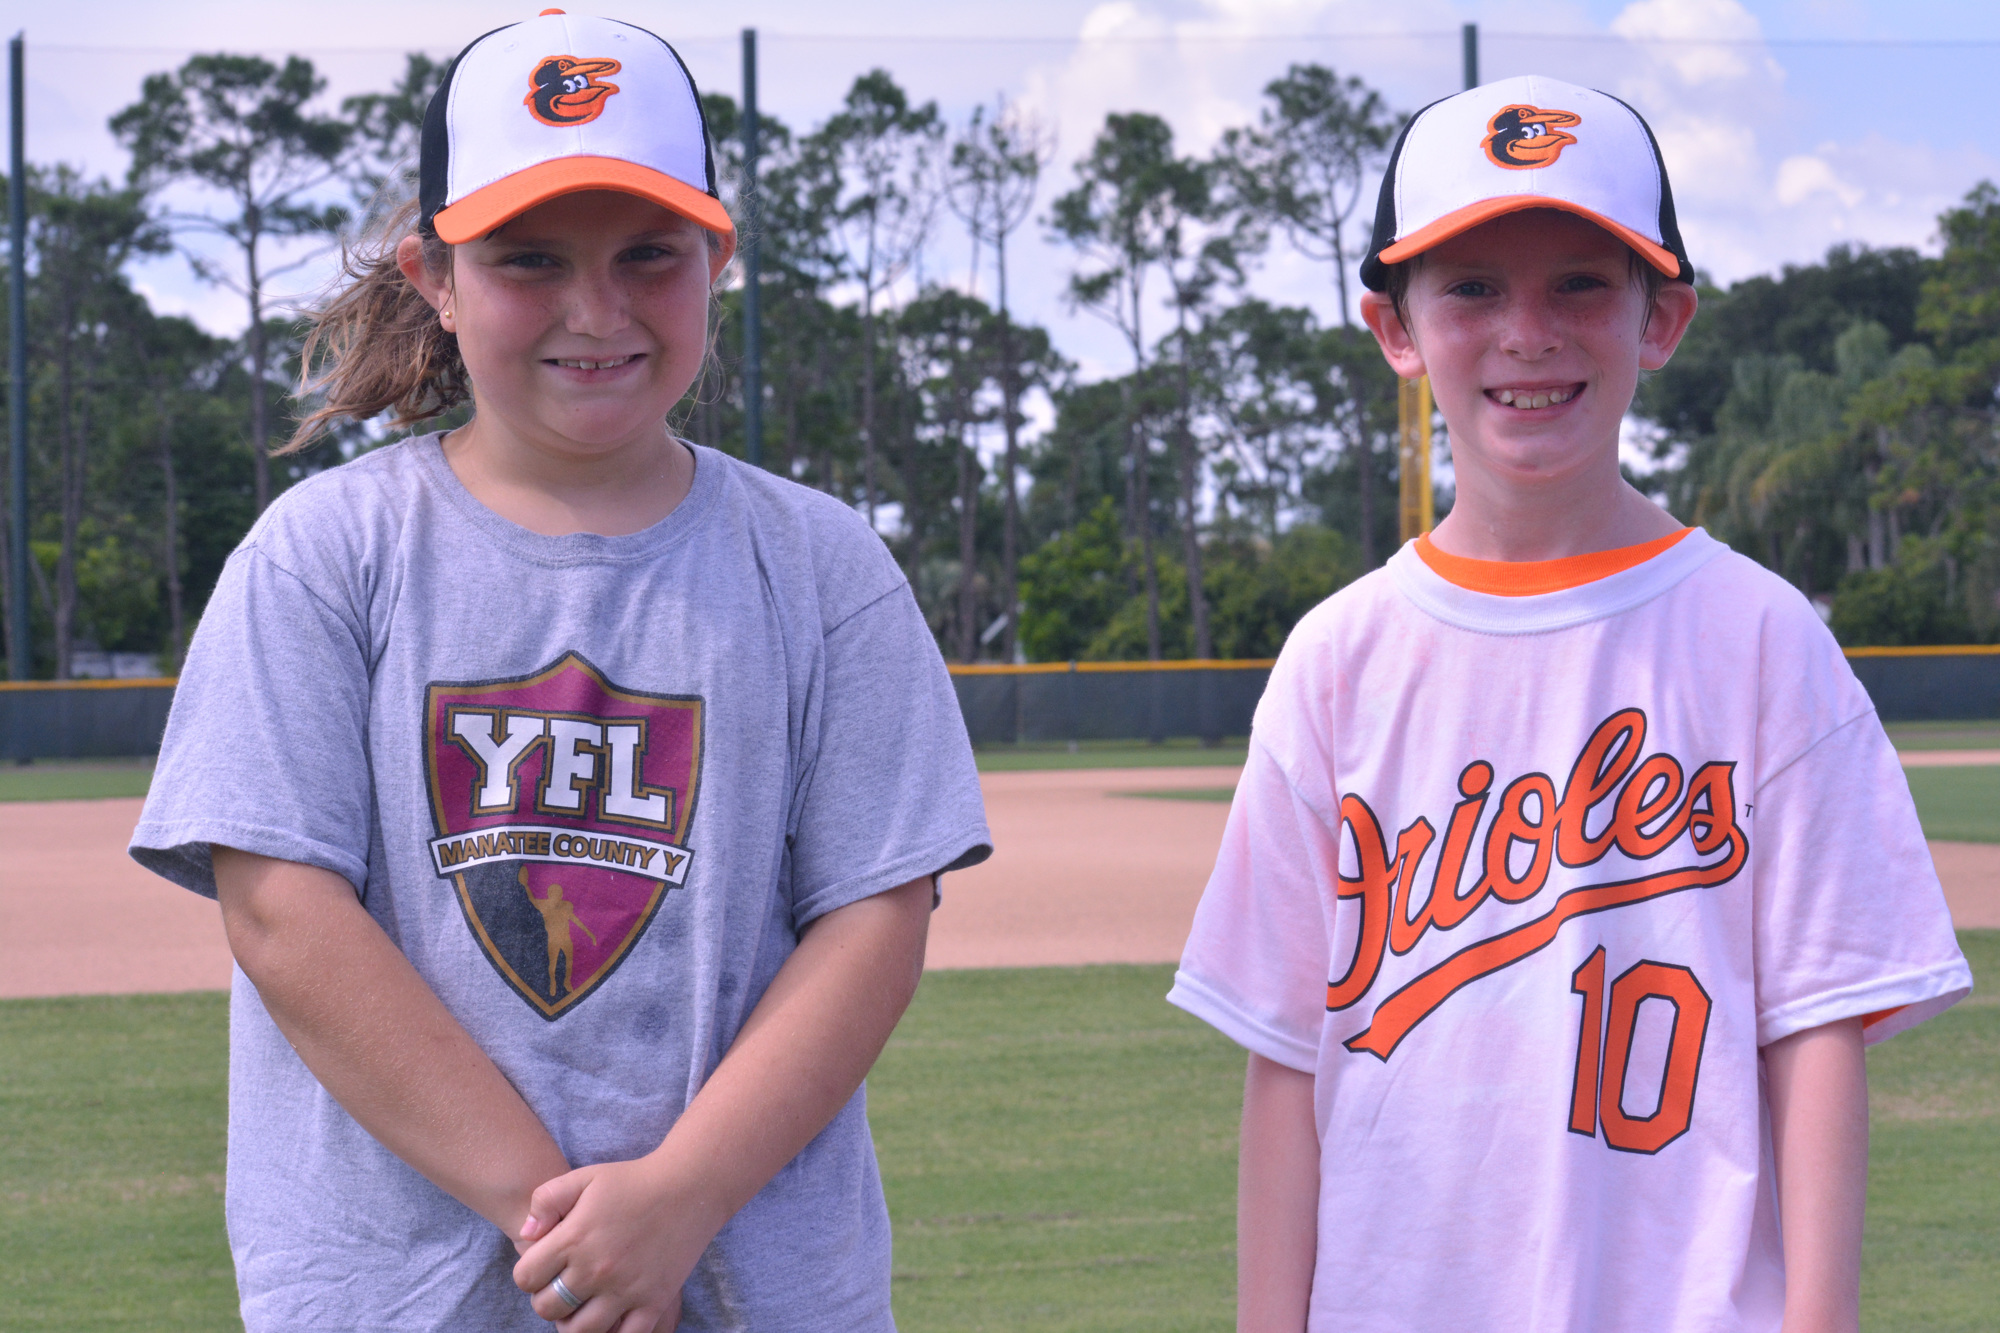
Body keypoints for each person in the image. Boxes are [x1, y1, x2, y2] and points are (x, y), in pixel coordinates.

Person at [129, 11, 990, 1331]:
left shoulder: (820, 566)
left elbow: (878, 917)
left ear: (719, 255)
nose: (596, 311)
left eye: (650, 255)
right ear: (434, 270)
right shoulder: (325, 554)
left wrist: (681, 1199)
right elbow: (280, 913)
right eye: (530, 260)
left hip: (744, 1283)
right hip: (400, 1294)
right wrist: (576, 1231)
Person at [1167, 74, 1972, 1333]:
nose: (1526, 332)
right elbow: (1285, 1069)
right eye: (1472, 287)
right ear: (1394, 328)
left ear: (1662, 320)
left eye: (1581, 284)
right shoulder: (1337, 659)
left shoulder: (1759, 638)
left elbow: (1813, 1036)